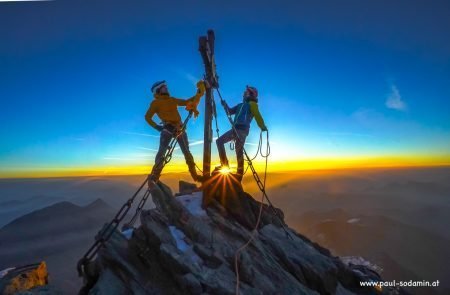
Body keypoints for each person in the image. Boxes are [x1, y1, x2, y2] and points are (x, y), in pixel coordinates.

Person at [145, 80, 205, 186]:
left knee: (187, 153)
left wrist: (198, 93)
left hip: (178, 127)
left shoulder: (172, 100)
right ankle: (155, 176)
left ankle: (195, 176)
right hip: (169, 128)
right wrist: (158, 127)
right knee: (162, 152)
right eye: (164, 87)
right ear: (159, 90)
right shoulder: (156, 103)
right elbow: (147, 117)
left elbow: (186, 102)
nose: (167, 88)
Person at [216, 85, 267, 181]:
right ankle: (227, 166)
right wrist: (225, 105)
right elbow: (230, 112)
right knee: (221, 143)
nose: (243, 93)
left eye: (246, 92)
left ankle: (237, 175)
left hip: (241, 130)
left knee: (237, 150)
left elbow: (257, 115)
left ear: (251, 94)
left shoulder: (252, 104)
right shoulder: (241, 105)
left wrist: (262, 127)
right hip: (236, 129)